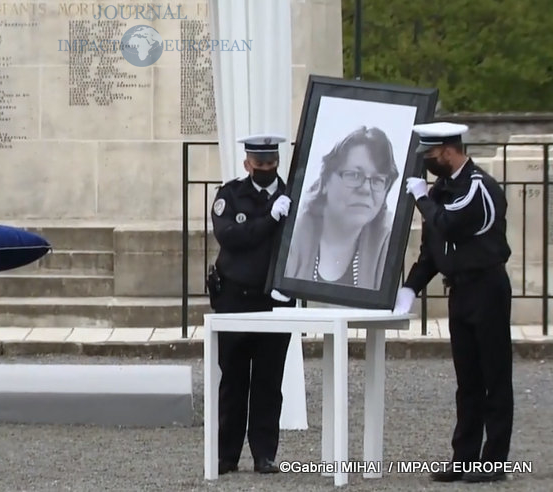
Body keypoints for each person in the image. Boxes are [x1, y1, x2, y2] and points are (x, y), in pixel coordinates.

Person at [393, 122, 513, 483]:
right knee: (468, 380)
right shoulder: (442, 190)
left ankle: (493, 461)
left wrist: (422, 199)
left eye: (430, 155)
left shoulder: (478, 187)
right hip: (460, 291)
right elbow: (433, 248)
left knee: (494, 377)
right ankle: (464, 457)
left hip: (487, 288)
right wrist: (411, 288)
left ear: (447, 151)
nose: (427, 163)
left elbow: (449, 223)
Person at [207, 134, 296, 475]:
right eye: (260, 164)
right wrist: (270, 219)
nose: (266, 168)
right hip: (235, 298)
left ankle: (264, 454)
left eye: (271, 163)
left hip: (274, 300)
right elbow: (231, 237)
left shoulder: (291, 196)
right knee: (233, 379)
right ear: (247, 164)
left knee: (269, 381)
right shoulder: (230, 195)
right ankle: (227, 455)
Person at [284, 126, 400, 290]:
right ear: (325, 181)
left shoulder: (386, 240)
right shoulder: (292, 236)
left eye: (378, 180)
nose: (366, 189)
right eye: (354, 175)